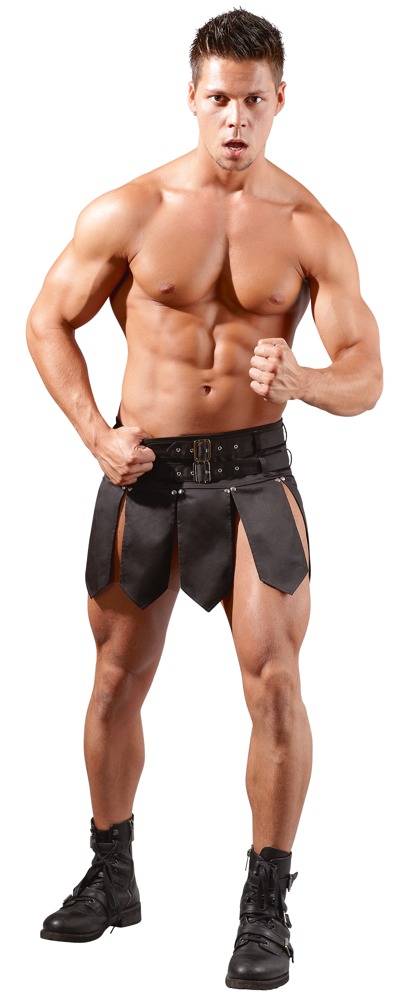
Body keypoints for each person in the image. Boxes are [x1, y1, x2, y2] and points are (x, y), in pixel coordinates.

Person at [26, 7, 382, 991]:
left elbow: (366, 372)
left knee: (274, 683)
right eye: (219, 98)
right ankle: (111, 873)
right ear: (191, 97)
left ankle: (265, 906)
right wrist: (95, 432)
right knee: (114, 680)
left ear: (281, 101)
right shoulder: (129, 210)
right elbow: (47, 321)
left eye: (253, 100)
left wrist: (304, 378)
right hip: (144, 472)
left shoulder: (309, 226)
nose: (235, 118)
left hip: (255, 473)